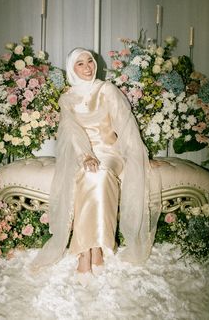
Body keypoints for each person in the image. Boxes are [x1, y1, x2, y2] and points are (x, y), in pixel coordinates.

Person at [32, 48, 162, 284]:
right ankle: (89, 251)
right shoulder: (67, 98)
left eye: (90, 61)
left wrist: (138, 156)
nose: (88, 67)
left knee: (100, 174)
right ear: (72, 69)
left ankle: (91, 249)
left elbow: (125, 126)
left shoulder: (107, 90)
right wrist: (85, 156)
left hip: (110, 152)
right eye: (80, 64)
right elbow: (72, 133)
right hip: (80, 154)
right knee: (90, 173)